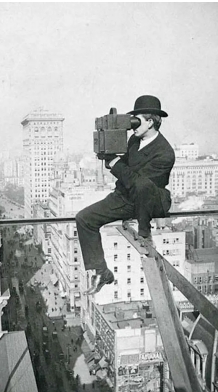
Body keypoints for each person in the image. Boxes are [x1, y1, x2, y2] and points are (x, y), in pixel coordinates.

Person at [76, 95, 176, 295]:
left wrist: (113, 162)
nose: (133, 126)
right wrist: (108, 151)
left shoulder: (164, 153)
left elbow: (139, 184)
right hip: (125, 195)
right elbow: (127, 176)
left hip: (148, 200)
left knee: (142, 188)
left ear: (150, 121)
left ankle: (145, 232)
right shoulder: (134, 140)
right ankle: (101, 271)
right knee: (84, 218)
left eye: (136, 120)